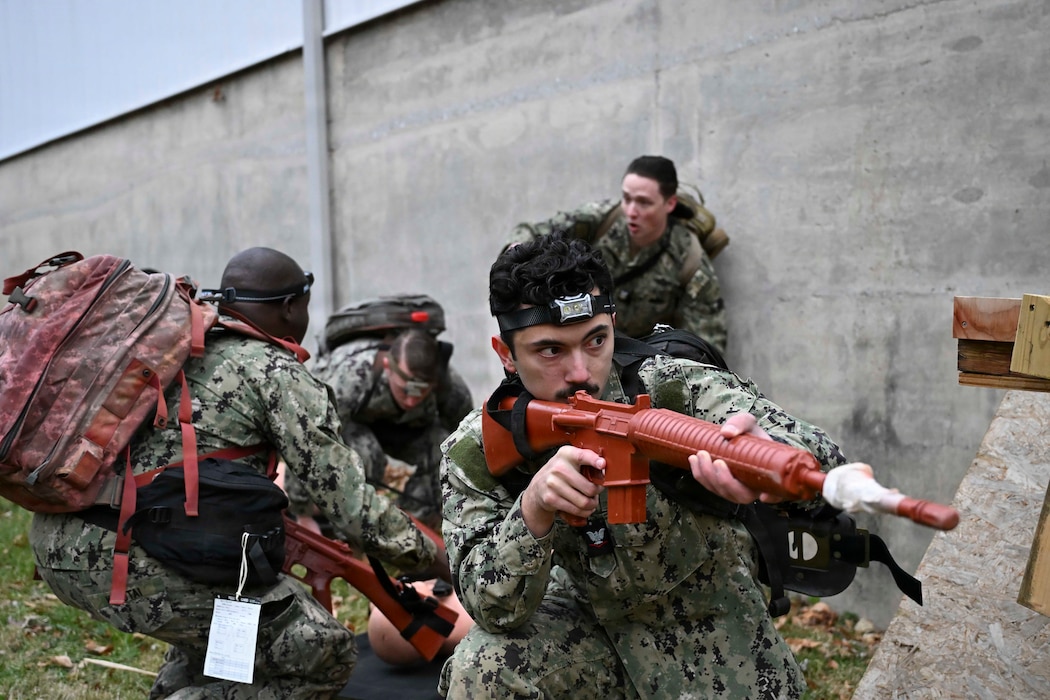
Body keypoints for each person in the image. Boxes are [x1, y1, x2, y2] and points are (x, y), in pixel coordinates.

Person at [438, 234, 848, 699]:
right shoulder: (479, 446)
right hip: (588, 641)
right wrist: (533, 509)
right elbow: (492, 609)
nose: (581, 371)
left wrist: (770, 458)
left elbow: (821, 455)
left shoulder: (672, 387)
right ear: (505, 353)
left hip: (713, 636)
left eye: (596, 340)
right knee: (483, 667)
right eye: (551, 351)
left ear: (613, 324)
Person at [29, 247, 449, 699]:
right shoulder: (273, 370)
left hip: (63, 534)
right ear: (292, 306)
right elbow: (352, 506)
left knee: (231, 632)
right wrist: (438, 557)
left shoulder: (178, 345)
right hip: (128, 553)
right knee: (325, 653)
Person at [505, 154, 729, 354]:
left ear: (669, 204)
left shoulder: (689, 260)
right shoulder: (603, 218)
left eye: (643, 203)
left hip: (641, 360)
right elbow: (533, 232)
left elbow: (705, 346)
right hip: (577, 341)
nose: (631, 212)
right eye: (627, 198)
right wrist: (517, 252)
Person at [287, 324, 474, 530]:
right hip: (354, 426)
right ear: (388, 366)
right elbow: (307, 436)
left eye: (420, 392)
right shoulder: (352, 376)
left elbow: (468, 439)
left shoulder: (448, 384)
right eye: (405, 390)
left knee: (443, 448)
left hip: (408, 430)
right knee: (368, 456)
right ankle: (352, 529)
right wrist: (301, 512)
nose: (411, 401)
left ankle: (414, 529)